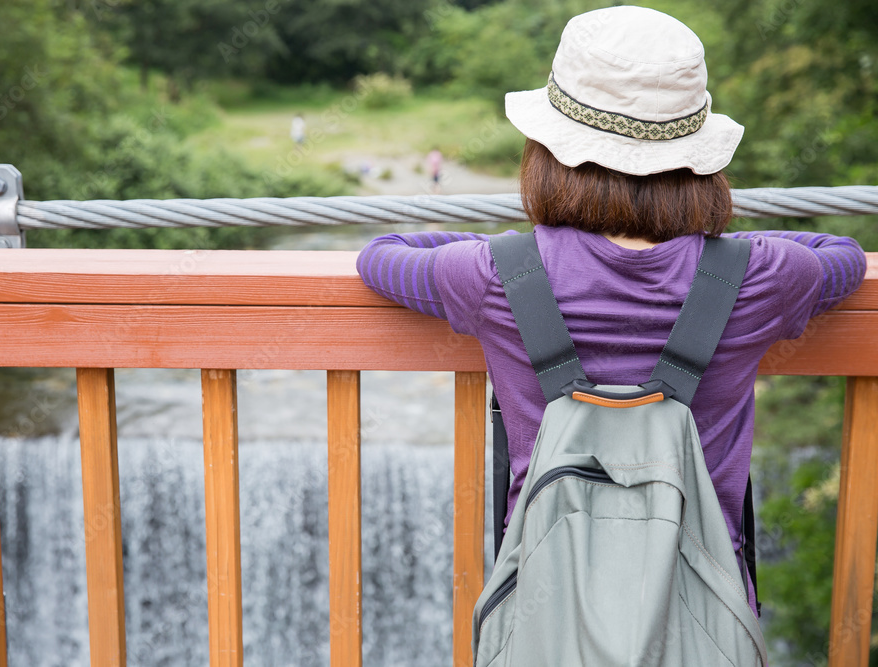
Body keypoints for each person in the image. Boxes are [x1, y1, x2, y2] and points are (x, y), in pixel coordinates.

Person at [356, 4, 866, 623]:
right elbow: (841, 257)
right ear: (699, 163)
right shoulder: (763, 277)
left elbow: (382, 257)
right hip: (705, 620)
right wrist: (742, 246)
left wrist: (490, 249)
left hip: (548, 617)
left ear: (548, 152)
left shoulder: (496, 276)